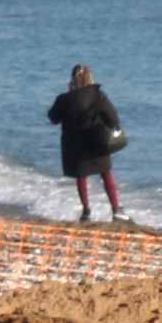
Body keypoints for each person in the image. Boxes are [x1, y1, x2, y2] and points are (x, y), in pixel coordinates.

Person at [48, 63, 129, 222]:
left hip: (74, 143)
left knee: (81, 177)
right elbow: (113, 117)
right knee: (106, 174)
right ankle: (116, 209)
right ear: (89, 77)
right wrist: (115, 135)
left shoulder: (63, 99)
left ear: (72, 79)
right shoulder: (97, 95)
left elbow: (53, 118)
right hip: (96, 139)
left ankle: (86, 212)